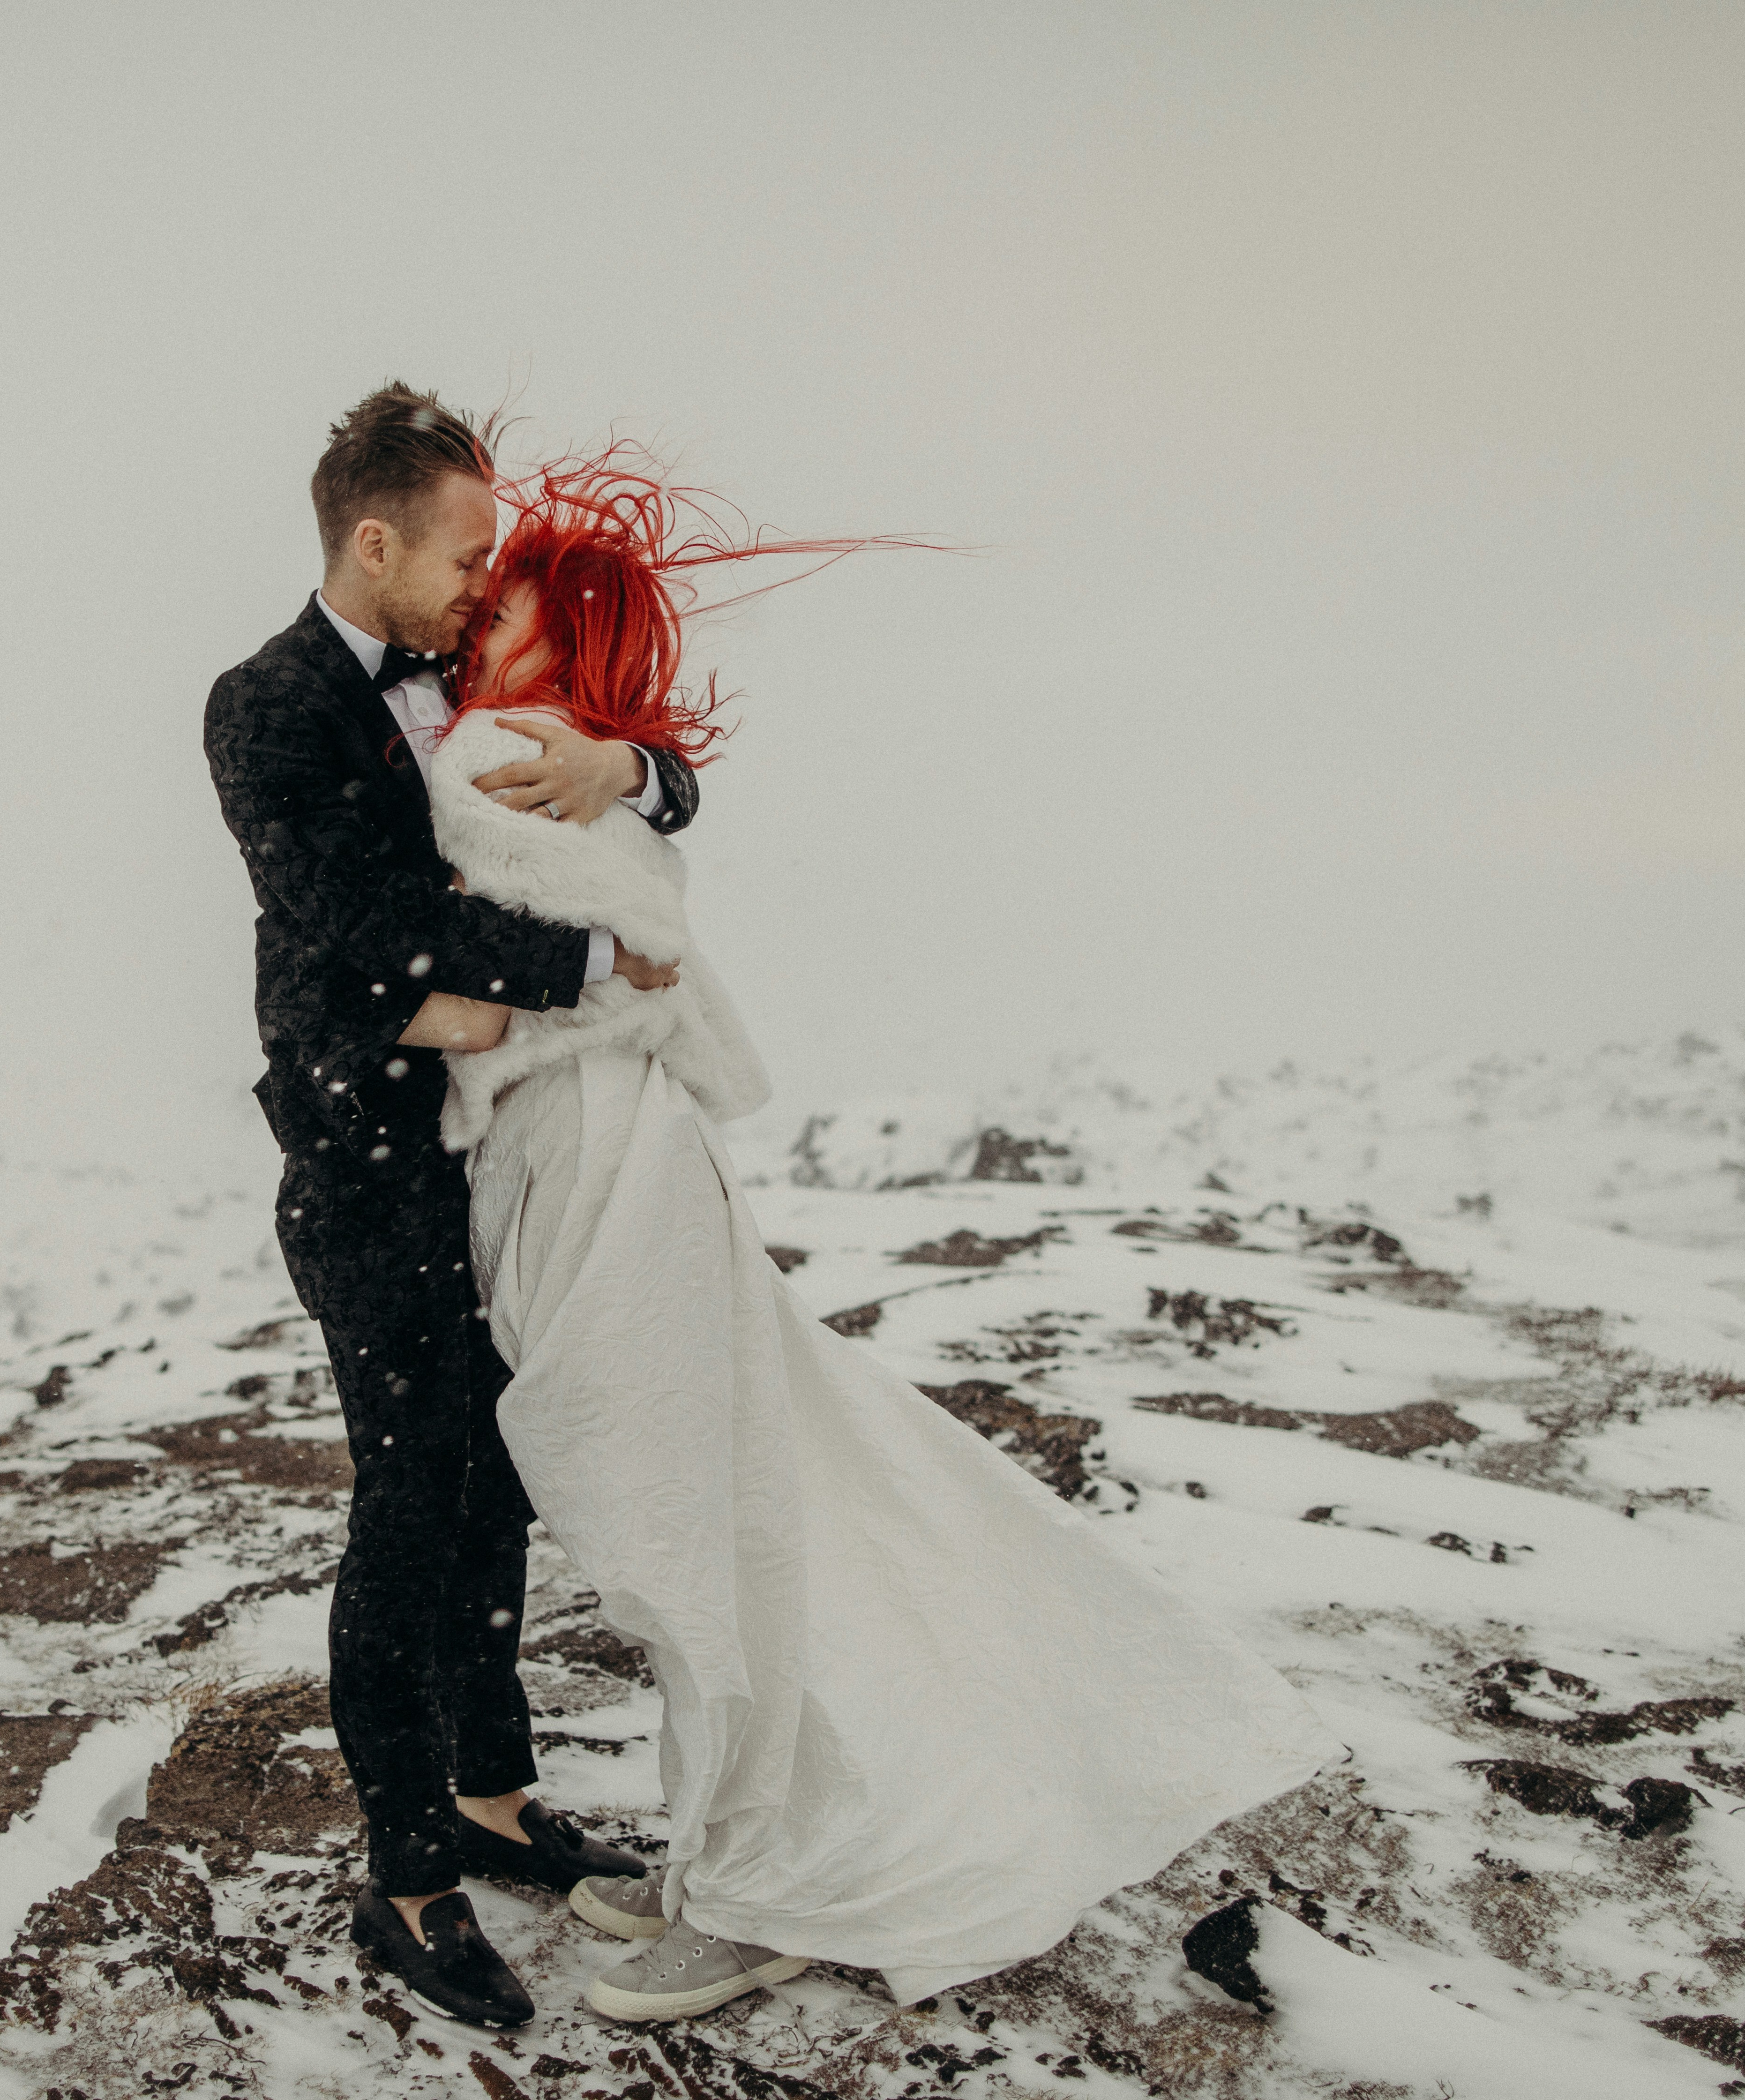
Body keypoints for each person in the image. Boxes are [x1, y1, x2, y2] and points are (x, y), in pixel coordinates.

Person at [412, 450, 1346, 2024]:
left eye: (497, 600)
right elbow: (645, 960)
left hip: (597, 1164)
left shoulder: (500, 751)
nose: (469, 617)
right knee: (717, 1517)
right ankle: (735, 1853)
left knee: (675, 1533)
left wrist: (609, 826)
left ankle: (786, 1881)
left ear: (546, 636)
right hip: (617, 1153)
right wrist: (637, 784)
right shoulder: (566, 753)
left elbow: (612, 955)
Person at [202, 383, 697, 2029]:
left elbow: (659, 772)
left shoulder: (463, 676)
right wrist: (582, 964)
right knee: (411, 1509)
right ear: (372, 537)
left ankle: (494, 1802)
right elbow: (352, 917)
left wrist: (626, 765)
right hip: (366, 1173)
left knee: (497, 1489)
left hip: (500, 1158)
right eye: (466, 549)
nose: (487, 579)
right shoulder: (266, 705)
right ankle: (408, 1875)